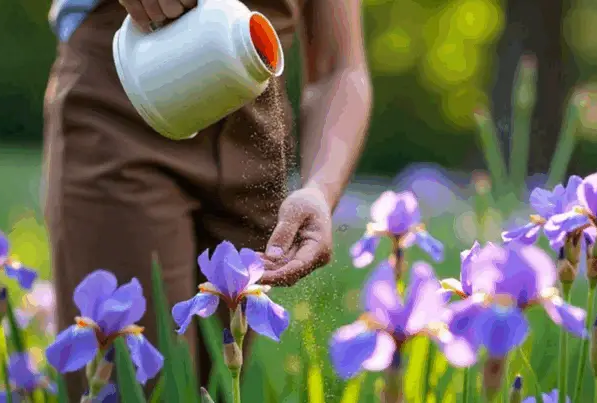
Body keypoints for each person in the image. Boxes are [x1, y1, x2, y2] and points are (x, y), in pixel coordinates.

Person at [43, 0, 372, 400]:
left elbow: (340, 67)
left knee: (216, 387)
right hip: (130, 93)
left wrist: (320, 187)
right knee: (135, 389)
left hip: (255, 142)